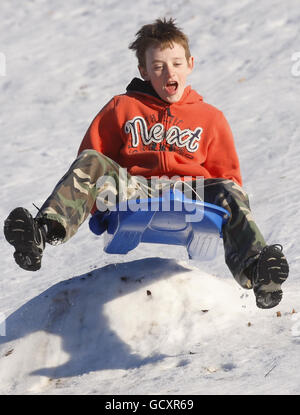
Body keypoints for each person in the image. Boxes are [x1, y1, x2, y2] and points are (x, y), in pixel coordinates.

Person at [4, 18, 289, 309]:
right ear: (144, 71)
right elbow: (89, 160)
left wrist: (222, 200)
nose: (169, 72)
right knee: (92, 160)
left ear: (191, 64)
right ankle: (42, 233)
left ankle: (258, 271)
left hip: (192, 192)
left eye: (177, 63)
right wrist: (99, 208)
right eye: (158, 66)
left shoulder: (210, 118)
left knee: (230, 189)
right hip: (135, 191)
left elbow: (227, 176)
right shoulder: (122, 107)